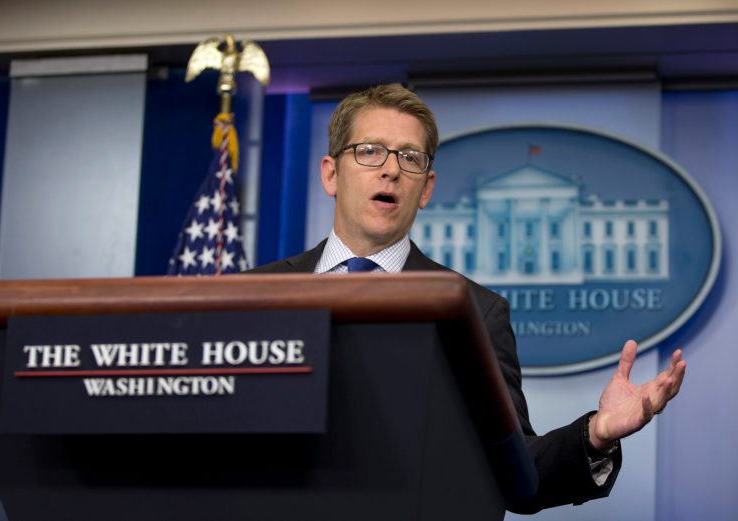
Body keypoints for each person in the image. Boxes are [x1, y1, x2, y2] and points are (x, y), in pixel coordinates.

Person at [250, 83, 686, 513]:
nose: (391, 170)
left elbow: (518, 474)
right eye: (370, 151)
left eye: (410, 157)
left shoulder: (476, 312)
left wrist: (596, 433)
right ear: (331, 174)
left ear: (426, 188)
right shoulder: (250, 296)